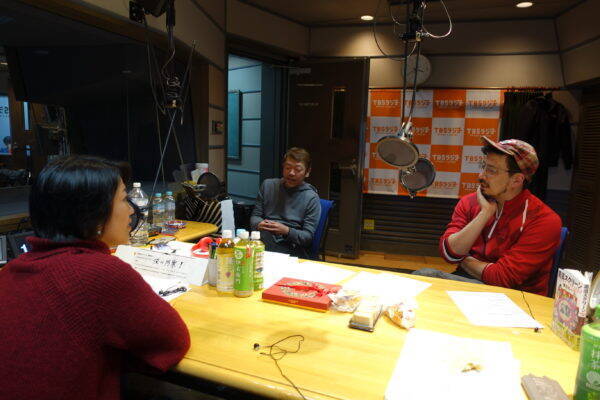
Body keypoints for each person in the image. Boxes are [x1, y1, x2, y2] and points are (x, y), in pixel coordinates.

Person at [0, 155, 190, 400]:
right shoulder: (101, 274)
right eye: (124, 199)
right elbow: (173, 340)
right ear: (94, 215)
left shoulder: (11, 271)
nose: (131, 210)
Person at [413, 138, 562, 296]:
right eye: (483, 166)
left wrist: (462, 258)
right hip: (467, 281)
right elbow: (449, 252)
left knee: (426, 276)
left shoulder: (544, 220)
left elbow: (501, 277)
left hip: (516, 297)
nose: (481, 176)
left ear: (516, 180)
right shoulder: (470, 202)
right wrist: (484, 214)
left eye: (491, 170)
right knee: (420, 283)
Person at [250, 147, 321, 258]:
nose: (291, 173)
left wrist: (286, 231)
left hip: (291, 245)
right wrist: (259, 224)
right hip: (264, 238)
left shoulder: (311, 198)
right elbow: (255, 216)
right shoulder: (268, 185)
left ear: (307, 172)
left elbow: (307, 237)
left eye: (297, 170)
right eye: (288, 168)